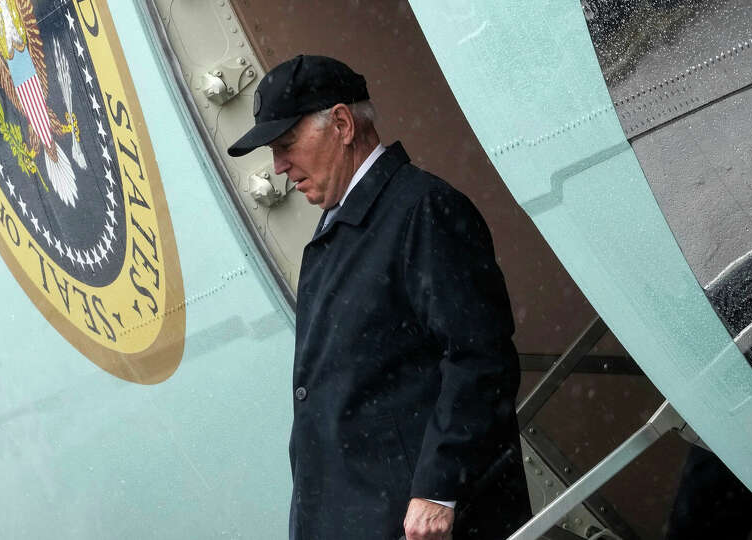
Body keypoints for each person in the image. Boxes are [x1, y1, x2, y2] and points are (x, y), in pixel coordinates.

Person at [227, 54, 531, 540]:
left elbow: (480, 358)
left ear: (343, 124)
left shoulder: (422, 209)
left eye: (286, 144)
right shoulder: (344, 226)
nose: (280, 167)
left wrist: (437, 488)